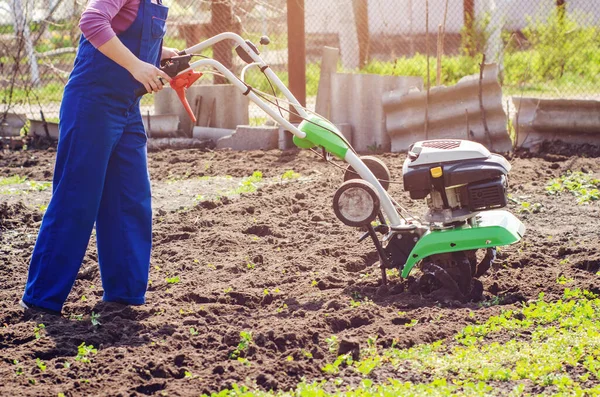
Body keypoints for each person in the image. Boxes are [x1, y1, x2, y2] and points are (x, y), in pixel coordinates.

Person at [20, 0, 179, 315]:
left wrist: (156, 53)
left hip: (127, 107)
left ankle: (123, 294)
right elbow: (92, 21)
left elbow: (123, 31)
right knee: (76, 199)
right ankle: (42, 299)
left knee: (129, 199)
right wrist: (137, 65)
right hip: (92, 103)